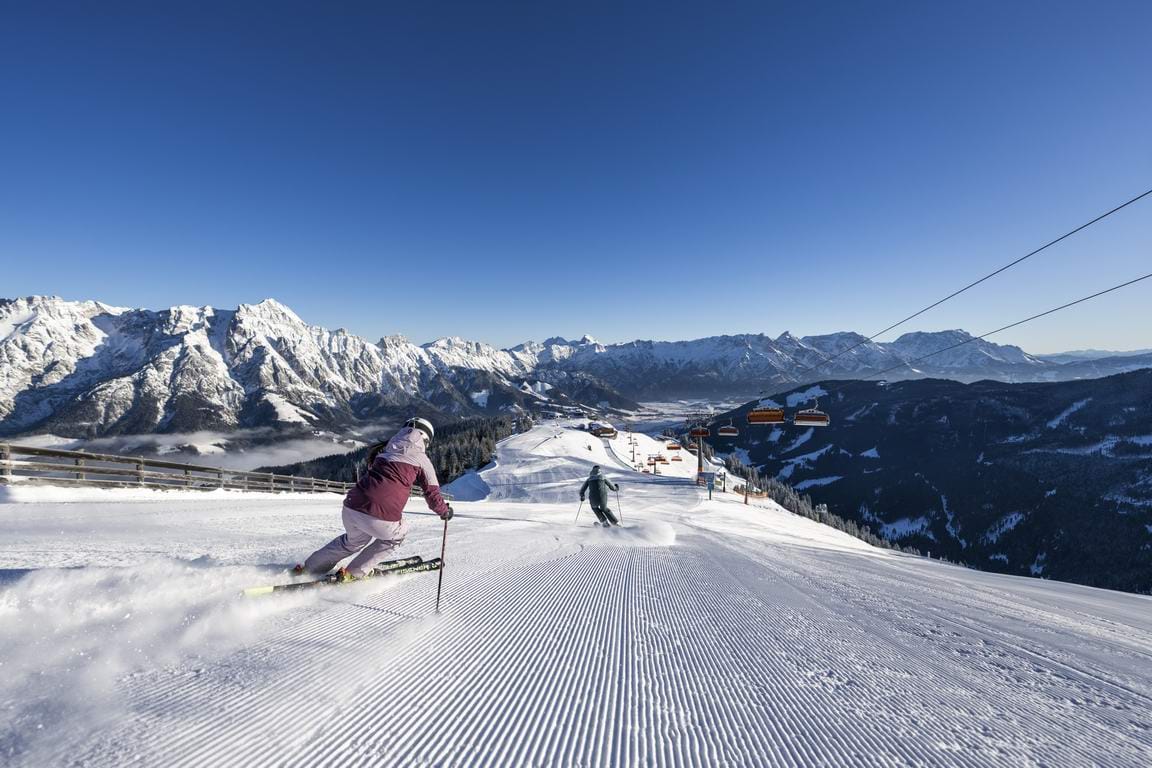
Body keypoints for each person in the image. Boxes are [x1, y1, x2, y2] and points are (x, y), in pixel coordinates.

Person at [297, 417, 453, 581]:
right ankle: (354, 572)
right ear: (426, 439)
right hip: (380, 515)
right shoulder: (422, 460)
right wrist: (445, 512)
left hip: (351, 507)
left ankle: (310, 568)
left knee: (353, 541)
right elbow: (433, 495)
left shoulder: (385, 451)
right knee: (396, 536)